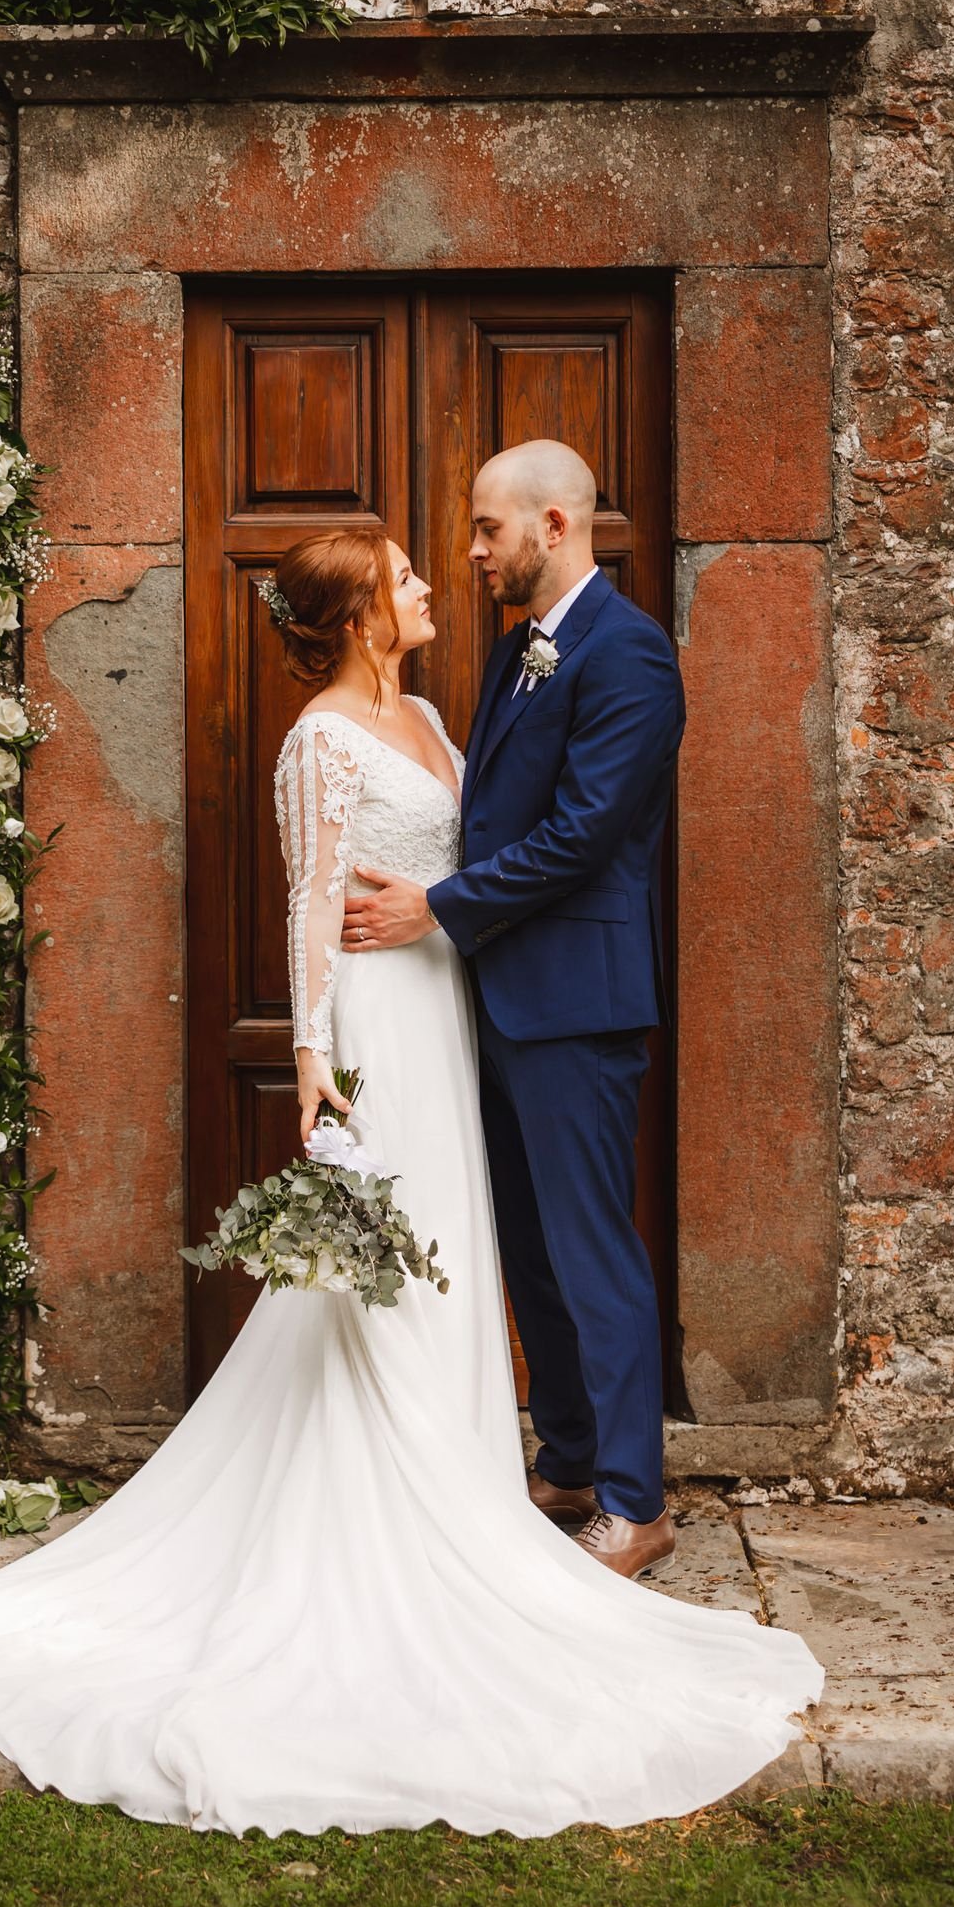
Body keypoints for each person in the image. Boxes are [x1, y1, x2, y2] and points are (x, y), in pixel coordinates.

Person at [0, 492, 823, 1832]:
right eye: (408, 575)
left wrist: (455, 927)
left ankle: (480, 1477)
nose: (437, 580)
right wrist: (313, 1063)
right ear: (363, 608)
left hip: (451, 1012)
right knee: (394, 1277)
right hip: (379, 1024)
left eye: (447, 556)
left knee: (463, 1256)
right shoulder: (317, 743)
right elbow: (312, 902)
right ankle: (403, 1513)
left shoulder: (431, 721)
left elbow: (492, 850)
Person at [344, 440, 680, 1580]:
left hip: (577, 1002)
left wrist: (438, 904)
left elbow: (583, 834)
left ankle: (635, 1502)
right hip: (494, 1000)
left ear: (553, 523)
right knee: (528, 1252)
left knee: (591, 1251)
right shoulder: (514, 651)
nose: (474, 552)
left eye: (489, 531)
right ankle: (573, 1458)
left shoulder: (628, 653)